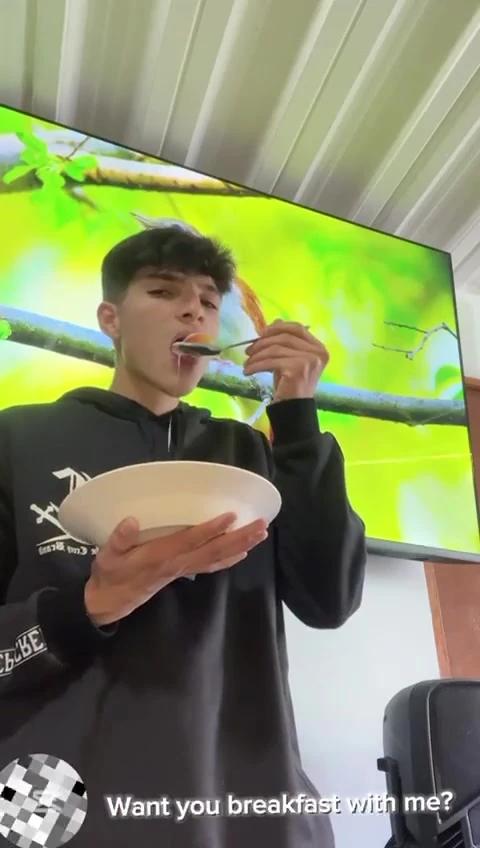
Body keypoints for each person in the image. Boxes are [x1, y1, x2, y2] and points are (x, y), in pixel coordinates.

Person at [0, 226, 367, 847]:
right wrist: (89, 606)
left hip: (237, 805)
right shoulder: (18, 439)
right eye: (164, 291)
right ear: (110, 319)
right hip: (57, 806)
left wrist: (298, 416)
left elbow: (329, 601)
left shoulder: (248, 455)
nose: (194, 310)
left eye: (208, 301)